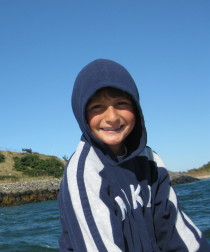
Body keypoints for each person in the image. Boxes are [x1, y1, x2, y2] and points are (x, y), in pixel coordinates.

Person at [58, 59, 209, 251]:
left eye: (121, 103)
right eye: (97, 107)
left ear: (136, 107)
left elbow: (175, 231)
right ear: (81, 113)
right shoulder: (83, 173)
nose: (112, 117)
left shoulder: (151, 161)